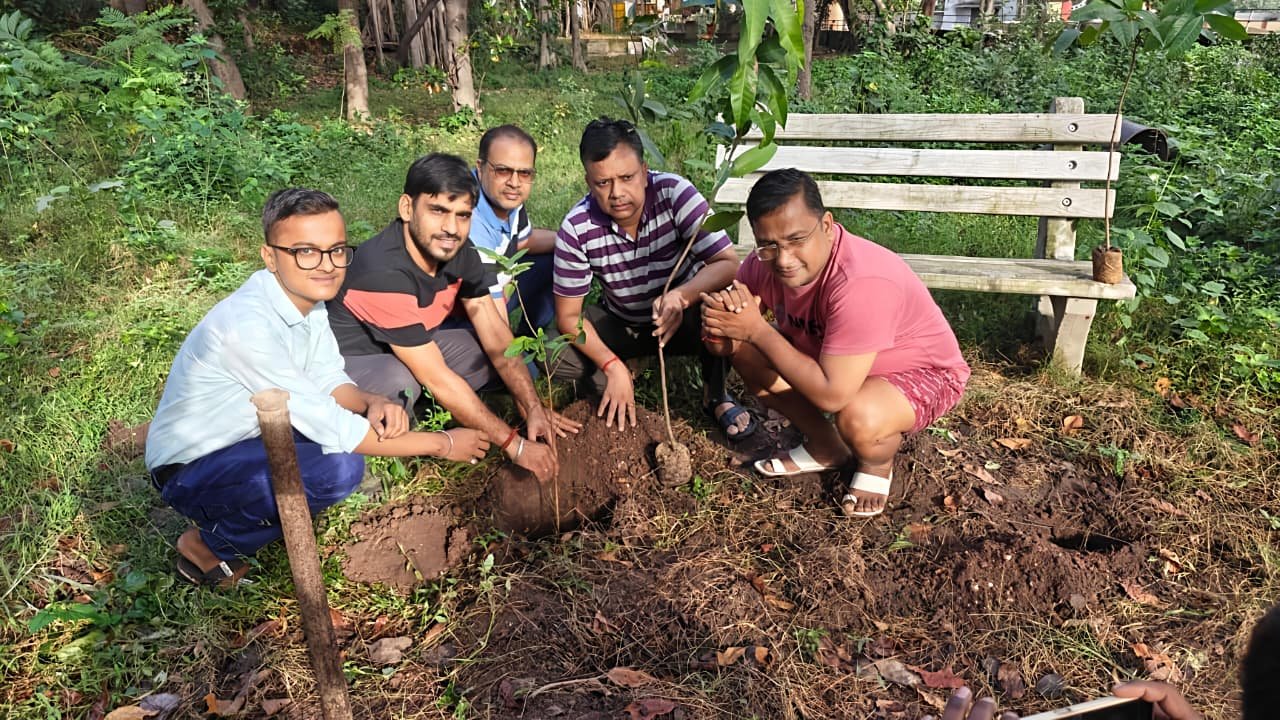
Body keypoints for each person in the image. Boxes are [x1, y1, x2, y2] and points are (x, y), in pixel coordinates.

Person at [145, 188, 490, 589]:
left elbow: (327, 377)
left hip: (249, 435)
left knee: (336, 455)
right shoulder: (246, 328)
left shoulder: (309, 302)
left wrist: (369, 399)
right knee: (337, 468)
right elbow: (333, 426)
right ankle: (211, 543)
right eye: (306, 252)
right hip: (190, 468)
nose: (326, 265)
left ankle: (243, 511)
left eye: (337, 250)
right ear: (270, 256)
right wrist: (442, 444)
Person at [701, 168, 969, 517]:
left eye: (797, 240)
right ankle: (825, 445)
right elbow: (729, 341)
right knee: (745, 349)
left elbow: (832, 395)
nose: (783, 259)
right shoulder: (761, 264)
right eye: (768, 244)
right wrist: (721, 331)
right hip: (837, 365)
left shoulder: (861, 281)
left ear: (827, 225)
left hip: (923, 374)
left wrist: (756, 330)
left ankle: (878, 459)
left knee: (856, 416)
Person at [327, 153, 578, 484]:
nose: (451, 228)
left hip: (411, 347)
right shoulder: (382, 274)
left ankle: (431, 411)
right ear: (406, 208)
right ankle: (377, 464)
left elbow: (497, 336)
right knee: (400, 379)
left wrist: (531, 405)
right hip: (351, 364)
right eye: (438, 211)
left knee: (483, 352)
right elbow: (437, 376)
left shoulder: (460, 252)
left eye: (463, 216)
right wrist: (514, 445)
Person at [552, 117, 756, 439]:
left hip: (684, 317)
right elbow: (569, 317)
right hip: (623, 321)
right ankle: (620, 372)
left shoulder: (675, 194)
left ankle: (716, 394)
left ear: (645, 172)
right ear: (588, 182)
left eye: (627, 177)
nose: (617, 193)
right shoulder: (576, 227)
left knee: (723, 304)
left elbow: (727, 263)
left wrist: (681, 296)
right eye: (602, 183)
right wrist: (610, 364)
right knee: (554, 351)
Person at [468, 124, 557, 333]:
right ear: (480, 169)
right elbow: (493, 320)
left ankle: (532, 337)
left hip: (498, 286)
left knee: (560, 258)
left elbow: (522, 242)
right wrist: (512, 356)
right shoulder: (467, 218)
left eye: (524, 173)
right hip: (467, 313)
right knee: (512, 360)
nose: (514, 182)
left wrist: (572, 241)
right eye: (503, 170)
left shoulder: (504, 197)